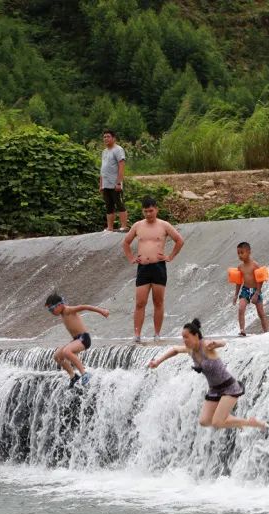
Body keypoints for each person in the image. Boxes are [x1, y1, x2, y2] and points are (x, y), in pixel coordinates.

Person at [148, 318, 267, 430]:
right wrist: (158, 361)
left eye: (186, 337)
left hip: (229, 387)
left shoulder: (205, 345)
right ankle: (239, 422)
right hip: (214, 390)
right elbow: (175, 349)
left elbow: (223, 342)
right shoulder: (190, 350)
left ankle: (250, 423)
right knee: (204, 421)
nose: (184, 340)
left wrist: (216, 342)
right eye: (183, 337)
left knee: (217, 422)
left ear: (195, 335)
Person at [121, 197, 184, 343]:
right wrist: (131, 258)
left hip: (158, 267)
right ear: (142, 211)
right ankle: (137, 334)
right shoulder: (138, 226)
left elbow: (179, 240)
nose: (148, 214)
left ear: (156, 209)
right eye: (145, 211)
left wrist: (170, 256)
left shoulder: (164, 225)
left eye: (151, 211)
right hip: (143, 267)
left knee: (158, 302)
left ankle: (157, 333)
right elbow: (126, 242)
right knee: (140, 302)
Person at [46, 292, 110, 388]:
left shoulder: (68, 310)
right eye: (49, 311)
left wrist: (102, 311)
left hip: (84, 338)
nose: (51, 312)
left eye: (51, 309)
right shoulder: (62, 313)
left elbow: (84, 307)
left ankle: (85, 374)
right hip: (76, 340)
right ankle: (73, 376)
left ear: (59, 305)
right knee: (57, 356)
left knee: (67, 351)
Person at [233, 242, 269, 336]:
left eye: (242, 252)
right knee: (241, 308)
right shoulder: (240, 267)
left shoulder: (255, 265)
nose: (240, 255)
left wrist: (257, 293)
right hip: (245, 290)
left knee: (261, 313)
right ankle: (242, 331)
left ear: (248, 252)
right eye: (238, 253)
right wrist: (236, 295)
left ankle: (267, 333)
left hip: (255, 290)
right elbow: (238, 282)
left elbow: (260, 280)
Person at [100, 129, 129, 232]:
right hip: (106, 184)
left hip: (115, 183)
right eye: (104, 137)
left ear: (113, 138)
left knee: (119, 204)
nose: (106, 139)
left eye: (108, 136)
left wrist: (118, 182)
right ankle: (110, 228)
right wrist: (101, 184)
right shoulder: (104, 152)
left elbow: (121, 166)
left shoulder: (118, 149)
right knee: (109, 206)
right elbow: (102, 168)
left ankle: (124, 226)